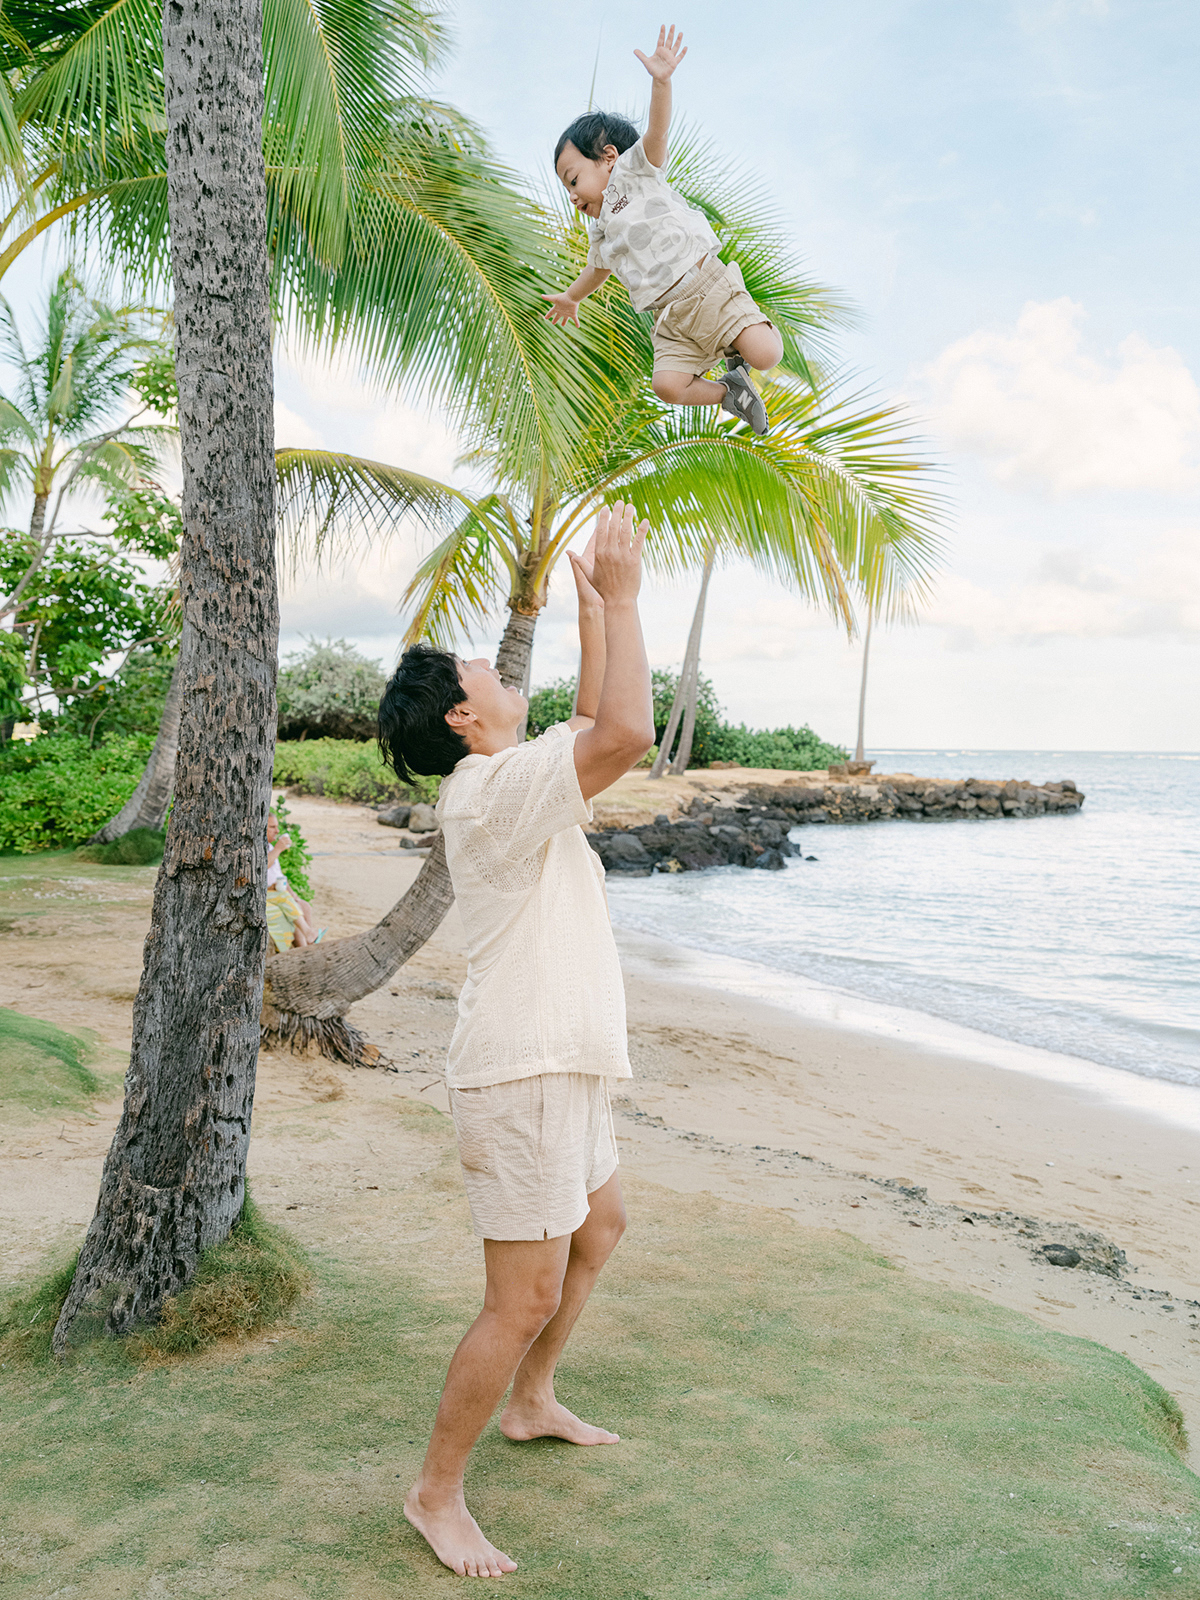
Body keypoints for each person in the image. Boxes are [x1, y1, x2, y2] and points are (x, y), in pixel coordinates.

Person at [377, 500, 655, 1578]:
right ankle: (434, 1491)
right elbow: (625, 736)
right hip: (520, 1067)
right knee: (522, 1292)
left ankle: (531, 1400)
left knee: (601, 1229)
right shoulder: (488, 792)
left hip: (563, 1059)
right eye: (479, 670)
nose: (497, 671)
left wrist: (598, 612)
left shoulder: (511, 776)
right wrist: (628, 602)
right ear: (459, 716)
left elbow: (594, 718)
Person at [544, 24, 784, 436]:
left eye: (572, 179)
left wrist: (661, 82)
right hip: (670, 318)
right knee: (667, 387)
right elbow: (596, 271)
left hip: (708, 286)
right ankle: (728, 392)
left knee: (766, 355)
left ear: (608, 158)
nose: (572, 194)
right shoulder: (601, 231)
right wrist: (570, 297)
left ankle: (737, 342)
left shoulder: (636, 174)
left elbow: (656, 131)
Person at [266, 810, 321, 951]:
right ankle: (304, 947)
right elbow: (261, 867)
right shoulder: (263, 849)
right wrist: (278, 849)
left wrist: (294, 896)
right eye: (272, 827)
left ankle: (308, 945)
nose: (277, 831)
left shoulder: (270, 847)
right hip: (268, 894)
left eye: (277, 827)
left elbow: (279, 876)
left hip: (277, 891)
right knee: (290, 912)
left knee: (304, 906)